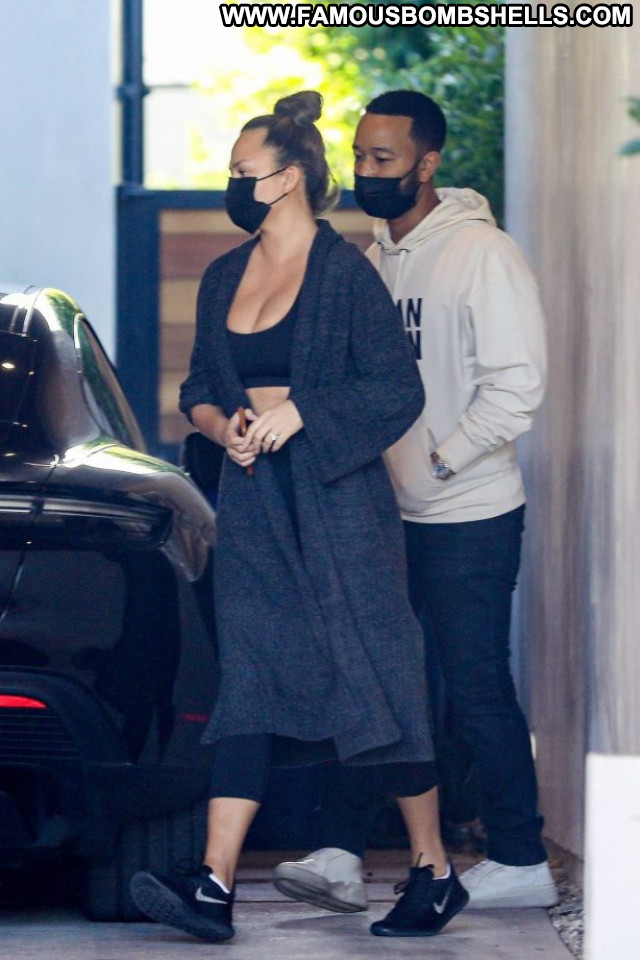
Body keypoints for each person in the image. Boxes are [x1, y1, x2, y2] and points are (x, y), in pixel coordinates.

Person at [129, 91, 468, 943]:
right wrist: (225, 428)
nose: (231, 184)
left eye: (242, 171)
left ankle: (433, 871)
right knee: (249, 680)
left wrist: (303, 412)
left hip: (341, 508)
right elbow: (197, 388)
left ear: (286, 179)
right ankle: (214, 886)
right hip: (253, 509)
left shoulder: (345, 272)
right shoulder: (221, 276)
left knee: (375, 674)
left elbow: (396, 389)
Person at [274, 90, 558, 912]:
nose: (367, 171)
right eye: (360, 156)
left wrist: (439, 461)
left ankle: (520, 859)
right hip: (384, 514)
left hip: (470, 515)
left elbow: (518, 386)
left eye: (384, 159)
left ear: (427, 164)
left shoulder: (482, 254)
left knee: (473, 686)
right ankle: (340, 852)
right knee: (370, 680)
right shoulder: (372, 260)